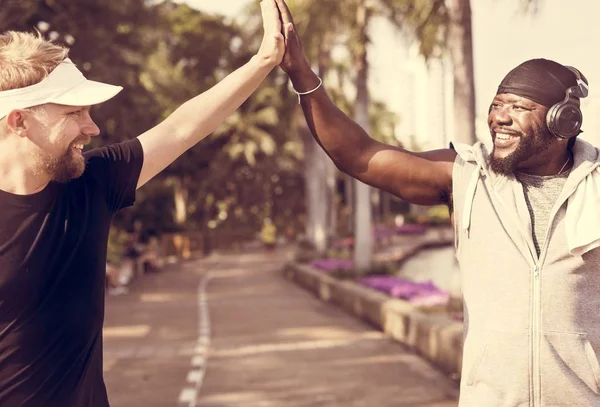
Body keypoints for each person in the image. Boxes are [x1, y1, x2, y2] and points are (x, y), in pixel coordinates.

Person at [274, 1, 600, 405]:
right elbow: (358, 155)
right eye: (497, 105)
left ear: (562, 121)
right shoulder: (464, 176)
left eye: (519, 108)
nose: (500, 117)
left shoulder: (595, 188)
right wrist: (302, 74)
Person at [0, 0, 284, 405]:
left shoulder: (91, 183)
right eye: (75, 112)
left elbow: (182, 128)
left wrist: (263, 60)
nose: (92, 127)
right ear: (19, 121)